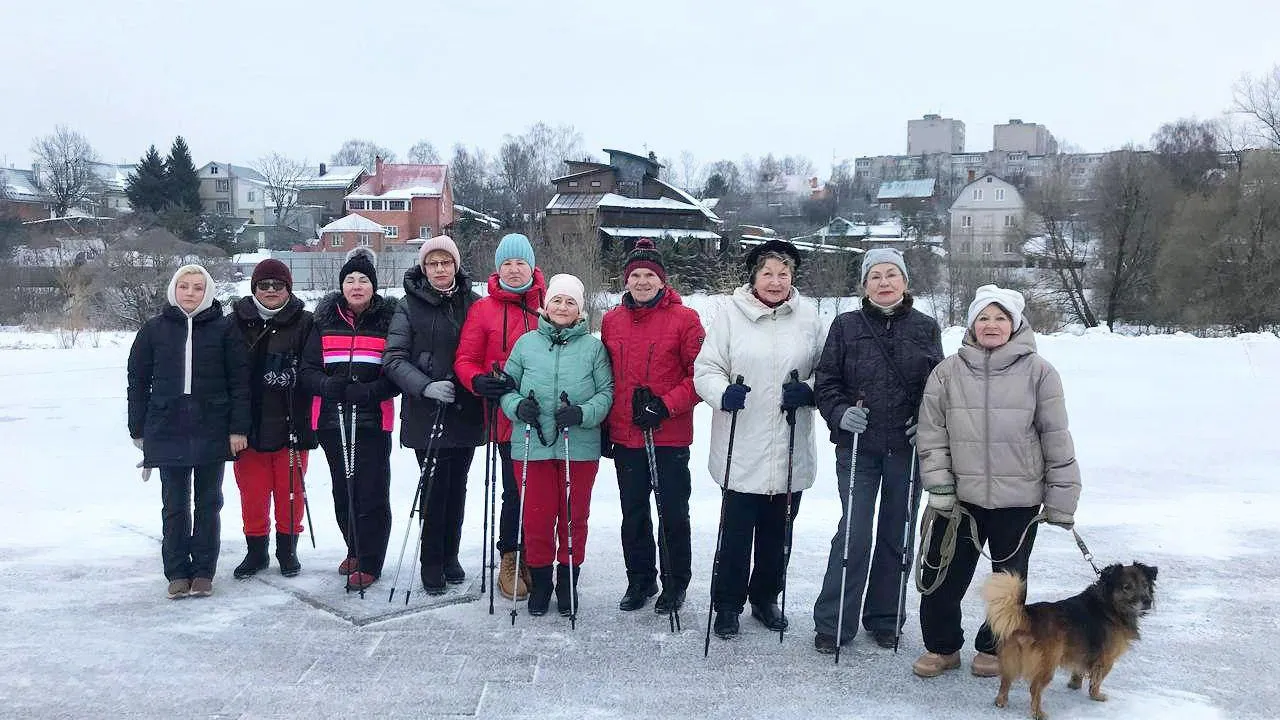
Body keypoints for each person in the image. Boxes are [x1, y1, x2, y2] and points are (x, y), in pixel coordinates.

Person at [912, 284, 1081, 678]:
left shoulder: (1040, 372)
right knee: (943, 576)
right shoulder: (947, 372)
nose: (992, 325)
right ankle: (942, 647)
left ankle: (993, 646)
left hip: (1018, 500)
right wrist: (939, 486)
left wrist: (1061, 500)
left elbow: (1056, 436)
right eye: (983, 317)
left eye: (1001, 317)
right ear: (972, 324)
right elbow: (931, 433)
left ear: (1015, 323)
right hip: (958, 501)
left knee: (1007, 584)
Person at [811, 248, 943, 653]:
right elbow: (826, 381)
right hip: (858, 449)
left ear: (905, 282)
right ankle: (834, 622)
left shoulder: (925, 327)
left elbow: (936, 387)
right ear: (864, 285)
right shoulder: (846, 326)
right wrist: (840, 412)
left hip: (905, 449)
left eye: (892, 275)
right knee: (854, 531)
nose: (884, 283)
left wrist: (925, 419)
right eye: (875, 276)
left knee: (896, 532)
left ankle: (885, 617)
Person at [693, 239, 824, 639]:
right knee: (734, 536)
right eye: (767, 273)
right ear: (754, 276)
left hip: (789, 447)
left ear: (792, 278)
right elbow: (706, 368)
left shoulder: (809, 317)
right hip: (741, 446)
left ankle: (765, 598)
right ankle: (728, 605)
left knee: (778, 536)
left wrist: (810, 391)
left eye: (783, 274)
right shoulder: (730, 316)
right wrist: (721, 393)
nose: (775, 281)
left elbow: (829, 370)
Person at [127, 264, 249, 599]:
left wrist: (238, 428)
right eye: (184, 286)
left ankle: (203, 571)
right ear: (174, 290)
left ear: (207, 292)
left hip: (212, 427)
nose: (191, 293)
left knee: (209, 503)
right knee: (175, 504)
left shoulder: (225, 330)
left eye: (197, 287)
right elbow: (137, 381)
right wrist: (138, 428)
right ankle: (177, 571)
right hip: (167, 428)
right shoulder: (154, 330)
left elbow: (240, 383)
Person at [499, 273, 613, 617]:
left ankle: (567, 582)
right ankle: (542, 582)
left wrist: (583, 413)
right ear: (545, 305)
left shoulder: (593, 348)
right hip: (532, 445)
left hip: (576, 447)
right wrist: (518, 406)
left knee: (573, 517)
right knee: (536, 518)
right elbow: (507, 387)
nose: (563, 307)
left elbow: (607, 393)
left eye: (571, 302)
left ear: (580, 311)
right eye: (557, 301)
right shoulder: (526, 343)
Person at [601, 239, 705, 615]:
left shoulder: (686, 319)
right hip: (627, 435)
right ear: (626, 280)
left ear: (662, 280)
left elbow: (700, 377)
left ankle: (675, 583)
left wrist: (664, 406)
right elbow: (607, 376)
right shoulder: (612, 319)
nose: (642, 281)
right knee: (633, 513)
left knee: (672, 513)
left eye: (649, 275)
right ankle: (639, 580)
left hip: (668, 435)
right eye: (635, 275)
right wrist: (606, 422)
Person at [384, 235, 483, 594]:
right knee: (435, 487)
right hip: (427, 412)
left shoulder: (473, 303)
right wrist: (425, 385)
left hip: (465, 408)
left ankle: (450, 553)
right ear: (424, 268)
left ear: (455, 265)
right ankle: (431, 560)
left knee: (458, 484)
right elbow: (393, 359)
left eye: (445, 263)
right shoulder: (408, 306)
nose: (440, 270)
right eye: (432, 264)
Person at [299, 247, 401, 591]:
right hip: (332, 419)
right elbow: (308, 370)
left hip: (372, 419)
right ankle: (354, 547)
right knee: (343, 489)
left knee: (370, 490)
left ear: (373, 286)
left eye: (363, 280)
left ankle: (371, 560)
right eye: (350, 280)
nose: (356, 286)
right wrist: (329, 385)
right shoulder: (323, 321)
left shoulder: (389, 321)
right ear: (342, 286)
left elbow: (396, 372)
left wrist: (371, 391)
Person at [454, 233, 547, 600]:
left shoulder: (549, 304)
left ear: (531, 265)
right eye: (506, 264)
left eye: (519, 262)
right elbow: (465, 360)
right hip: (505, 417)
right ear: (498, 268)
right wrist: (478, 381)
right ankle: (511, 555)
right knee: (513, 490)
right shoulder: (483, 310)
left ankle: (538, 556)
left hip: (543, 418)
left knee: (540, 491)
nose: (513, 269)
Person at [230, 259, 317, 579]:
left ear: (288, 289)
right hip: (249, 426)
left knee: (290, 492)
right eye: (263, 285)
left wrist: (293, 374)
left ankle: (287, 550)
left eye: (277, 286)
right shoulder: (235, 322)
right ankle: (256, 552)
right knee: (252, 493)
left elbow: (313, 367)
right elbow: (230, 375)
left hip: (291, 421)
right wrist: (233, 425)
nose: (270, 291)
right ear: (254, 289)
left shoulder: (306, 322)